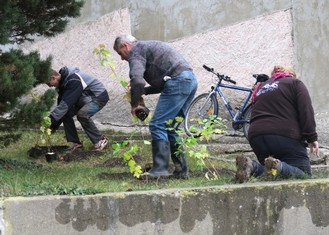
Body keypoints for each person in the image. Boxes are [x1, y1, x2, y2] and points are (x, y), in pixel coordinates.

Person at [113, 34, 198, 178]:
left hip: (178, 81)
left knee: (158, 124)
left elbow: (137, 81)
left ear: (125, 46)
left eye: (120, 53)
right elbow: (164, 80)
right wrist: (144, 91)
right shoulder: (148, 47)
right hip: (189, 80)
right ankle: (181, 171)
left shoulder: (136, 51)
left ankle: (160, 169)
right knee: (170, 127)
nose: (122, 58)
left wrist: (134, 105)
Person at [236, 65, 319, 182]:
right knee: (304, 174)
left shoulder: (261, 87)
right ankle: (279, 166)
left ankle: (252, 166)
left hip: (256, 137)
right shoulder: (295, 83)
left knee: (270, 173)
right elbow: (306, 111)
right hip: (284, 135)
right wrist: (311, 137)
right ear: (291, 74)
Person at [46, 66, 109, 151]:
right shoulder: (63, 84)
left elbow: (65, 104)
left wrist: (50, 119)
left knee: (82, 115)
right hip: (84, 99)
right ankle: (76, 143)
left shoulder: (73, 80)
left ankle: (101, 140)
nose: (49, 86)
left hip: (98, 97)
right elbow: (61, 106)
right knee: (65, 114)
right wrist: (52, 126)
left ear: (54, 78)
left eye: (49, 83)